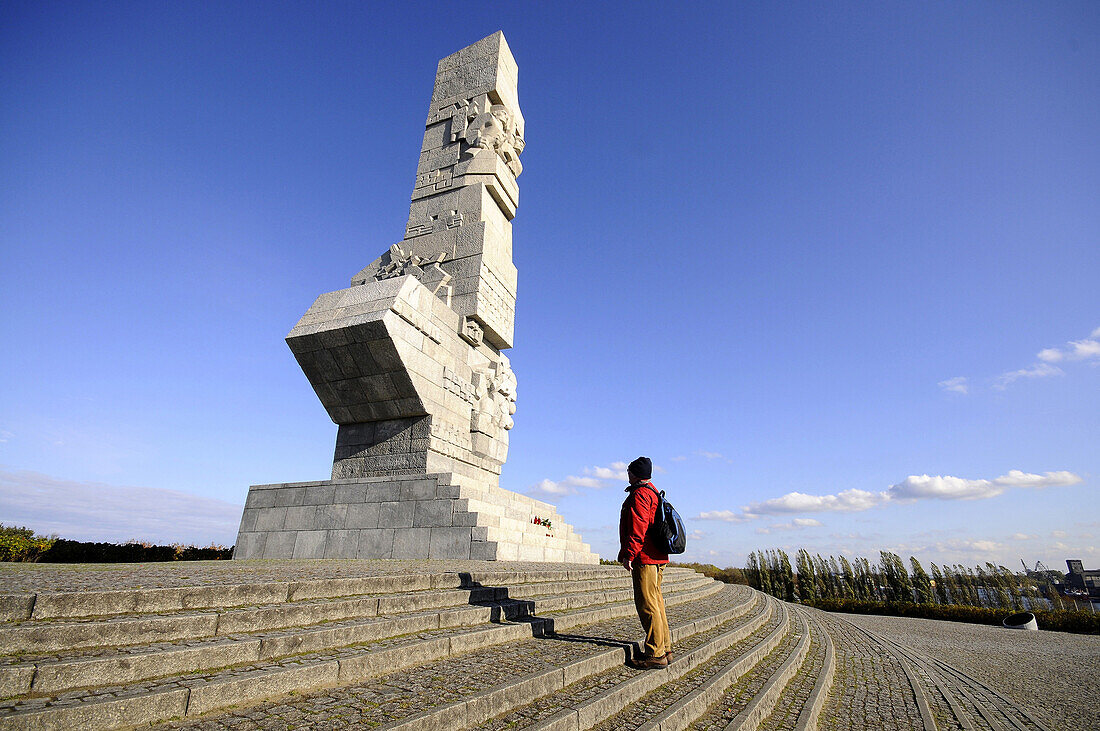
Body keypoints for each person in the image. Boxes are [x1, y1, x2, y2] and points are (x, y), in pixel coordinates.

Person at [618, 456, 671, 669]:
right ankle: (664, 648)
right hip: (657, 556)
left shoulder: (640, 494)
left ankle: (655, 654)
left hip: (645, 557)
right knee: (656, 603)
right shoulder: (653, 492)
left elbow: (638, 527)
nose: (627, 474)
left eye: (629, 471)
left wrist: (629, 554)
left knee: (647, 605)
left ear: (635, 473)